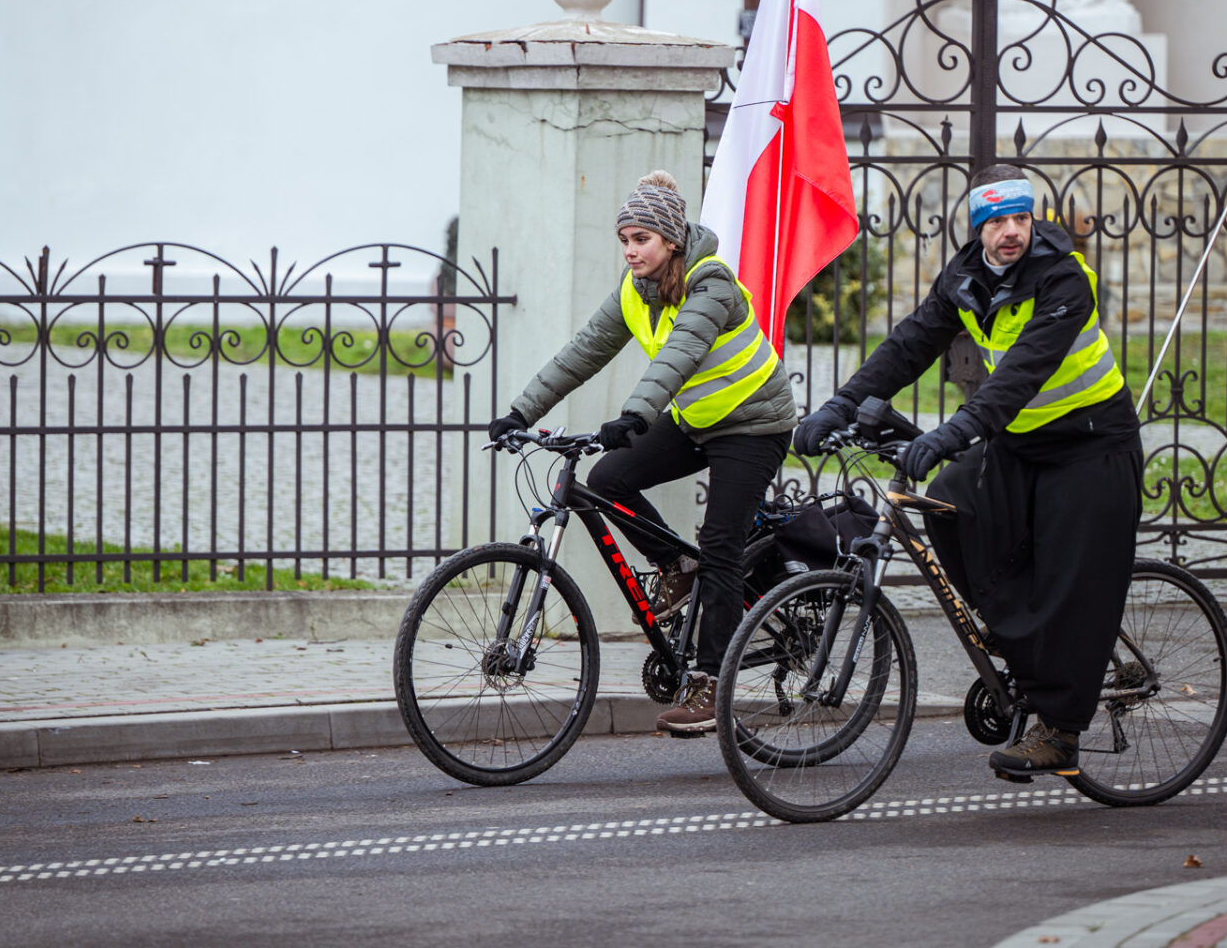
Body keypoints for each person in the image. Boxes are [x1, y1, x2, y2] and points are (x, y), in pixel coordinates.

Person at [790, 163, 1143, 777]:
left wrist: (952, 433)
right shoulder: (966, 278)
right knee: (951, 503)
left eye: (1021, 218)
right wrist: (840, 404)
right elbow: (910, 344)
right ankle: (1020, 640)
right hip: (1023, 442)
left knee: (1069, 575)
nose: (1012, 232)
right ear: (978, 227)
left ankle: (1060, 731)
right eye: (998, 221)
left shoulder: (1065, 278)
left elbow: (1019, 375)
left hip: (1092, 445)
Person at [487, 170, 797, 734]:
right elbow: (583, 352)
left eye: (641, 239)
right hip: (698, 419)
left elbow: (679, 354)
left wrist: (635, 414)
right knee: (608, 480)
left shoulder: (711, 283)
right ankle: (677, 565)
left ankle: (711, 685)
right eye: (624, 240)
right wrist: (520, 412)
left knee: (721, 545)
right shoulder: (634, 290)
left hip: (754, 425)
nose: (630, 251)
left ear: (671, 241)